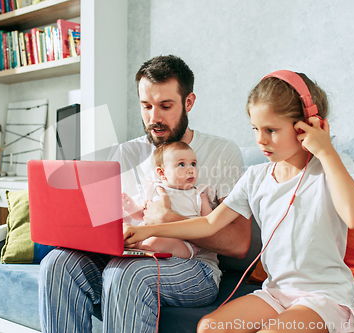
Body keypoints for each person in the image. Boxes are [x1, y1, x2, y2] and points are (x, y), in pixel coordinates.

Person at [124, 71, 354, 333]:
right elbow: (208, 224)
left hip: (324, 298)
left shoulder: (333, 166)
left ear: (308, 124)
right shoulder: (256, 177)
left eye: (271, 130)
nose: (260, 140)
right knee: (209, 327)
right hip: (276, 294)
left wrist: (326, 151)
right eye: (255, 129)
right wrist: (146, 230)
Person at [38, 55, 248, 333]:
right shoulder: (126, 153)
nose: (154, 118)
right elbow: (104, 221)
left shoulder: (222, 152)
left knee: (127, 275)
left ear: (189, 102)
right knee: (57, 263)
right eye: (146, 106)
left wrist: (170, 219)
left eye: (165, 106)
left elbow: (239, 243)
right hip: (130, 255)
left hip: (194, 267)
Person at [122, 141, 215, 259]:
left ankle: (140, 247)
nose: (191, 169)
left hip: (183, 243)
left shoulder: (198, 195)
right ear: (162, 173)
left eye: (193, 164)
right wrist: (131, 207)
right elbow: (144, 215)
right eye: (182, 164)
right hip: (148, 234)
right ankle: (134, 244)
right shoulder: (155, 189)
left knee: (158, 241)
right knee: (125, 227)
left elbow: (211, 224)